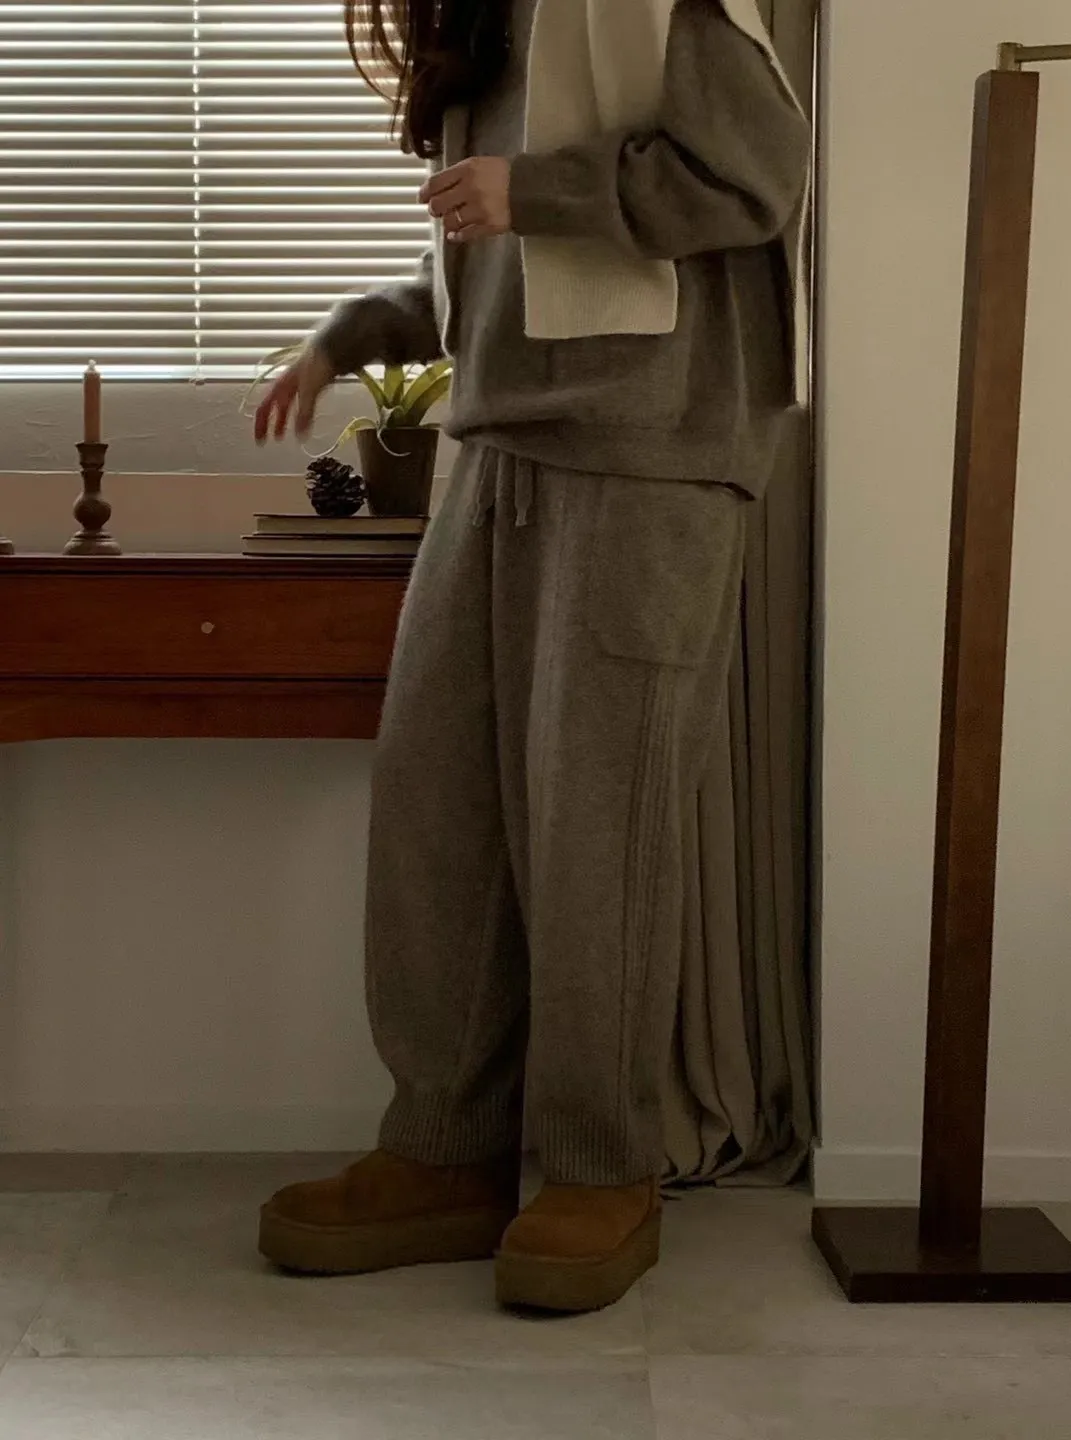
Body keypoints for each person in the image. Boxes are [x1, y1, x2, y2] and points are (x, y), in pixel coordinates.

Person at [253, 0, 809, 1314]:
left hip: (646, 455)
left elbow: (757, 176)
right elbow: (488, 285)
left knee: (598, 829)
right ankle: (445, 1149)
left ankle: (601, 1167)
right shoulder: (487, 32)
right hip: (497, 450)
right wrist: (346, 332)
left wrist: (537, 190)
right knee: (437, 816)